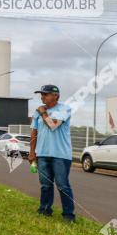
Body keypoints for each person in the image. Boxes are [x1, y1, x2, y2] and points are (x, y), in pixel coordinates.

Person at [28, 84, 75, 222]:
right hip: (42, 154)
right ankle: (45, 209)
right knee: (45, 185)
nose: (42, 97)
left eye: (46, 94)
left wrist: (43, 112)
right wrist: (32, 152)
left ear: (56, 96)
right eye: (41, 94)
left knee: (62, 185)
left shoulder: (64, 109)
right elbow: (33, 132)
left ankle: (68, 215)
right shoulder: (37, 112)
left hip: (60, 155)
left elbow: (53, 125)